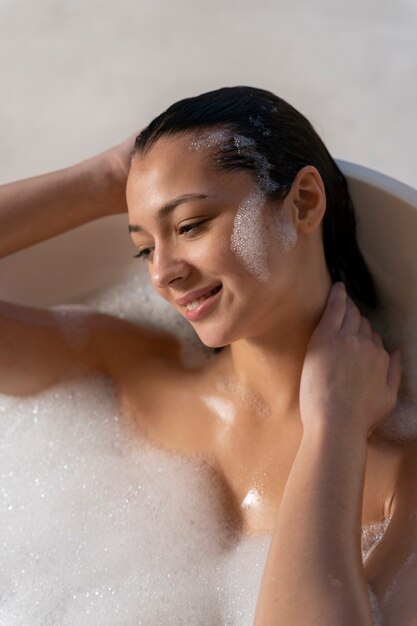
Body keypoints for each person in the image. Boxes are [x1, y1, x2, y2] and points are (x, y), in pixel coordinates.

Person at [0, 86, 416, 625]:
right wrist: (100, 180)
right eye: (146, 246)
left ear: (305, 202)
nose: (161, 273)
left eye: (190, 225)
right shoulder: (131, 370)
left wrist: (333, 429)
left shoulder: (402, 473)